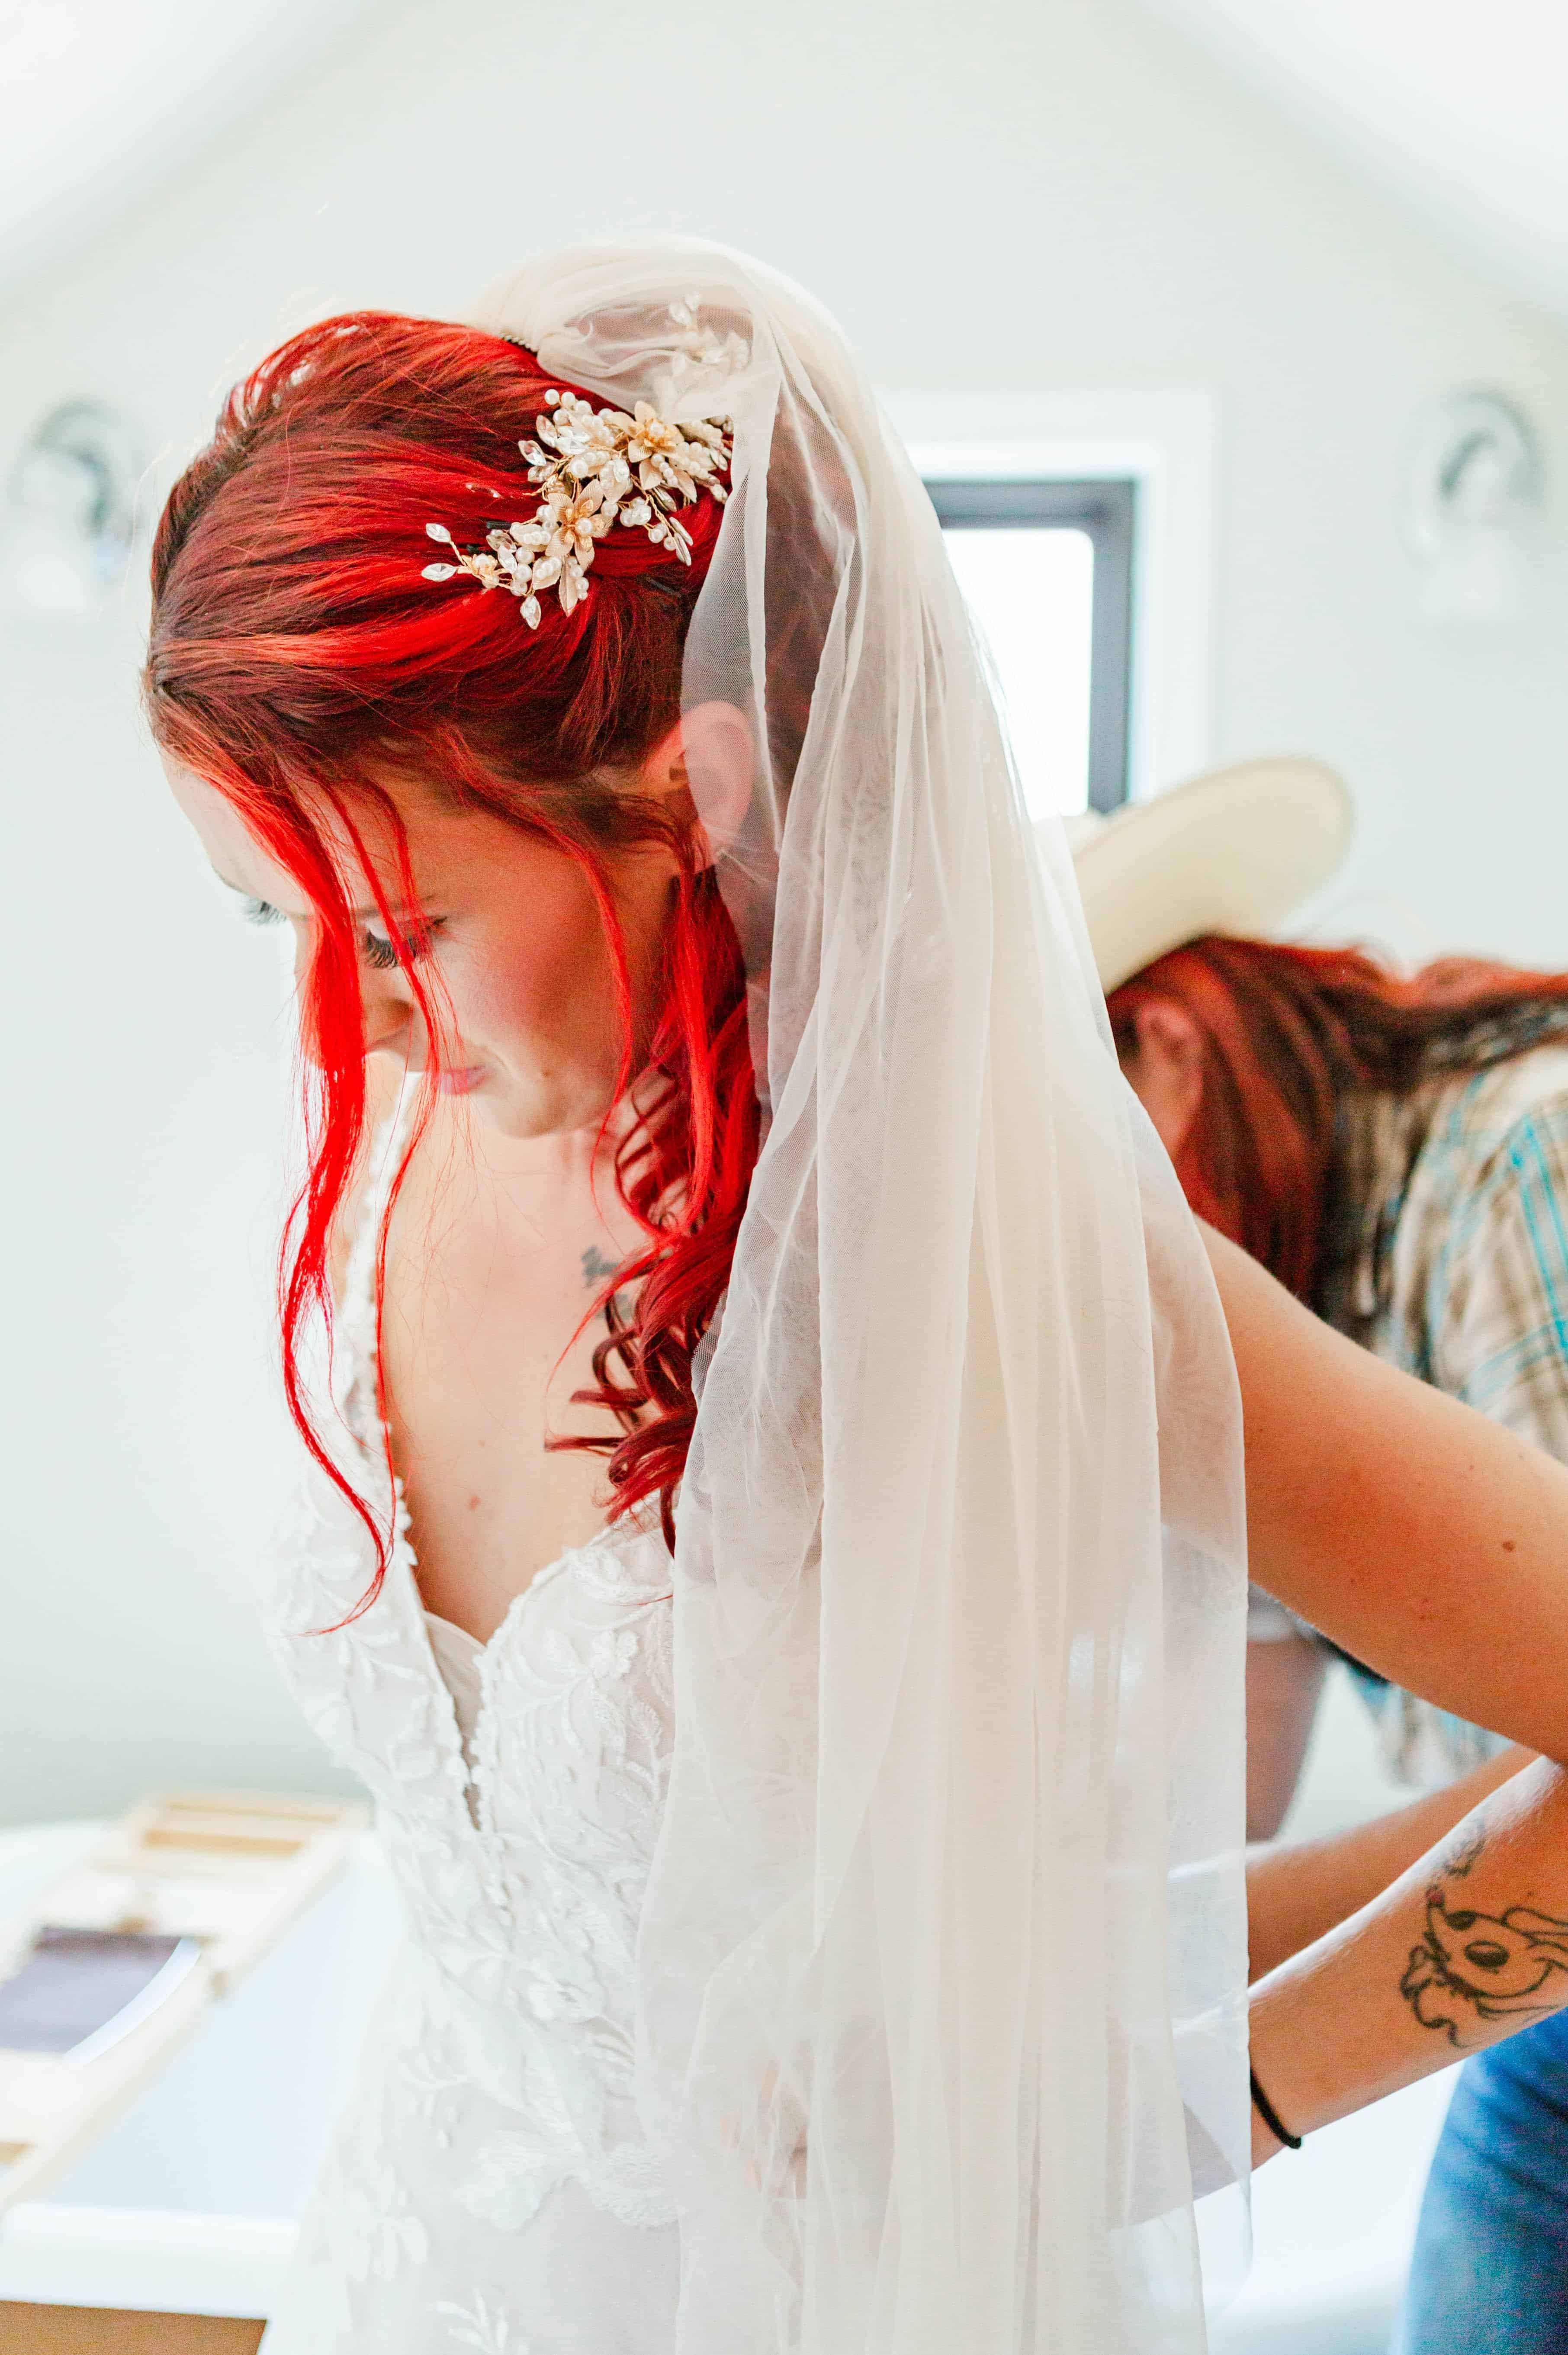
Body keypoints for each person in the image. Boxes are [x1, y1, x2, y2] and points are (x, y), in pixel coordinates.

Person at [145, 245, 1568, 2355]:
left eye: (398, 925)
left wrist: (1211, 2100)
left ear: (689, 793)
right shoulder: (399, 1133)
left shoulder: (997, 1251)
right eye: (273, 913)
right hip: (421, 2257)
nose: (337, 1024)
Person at [1080, 759, 1568, 2354]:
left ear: (1165, 1050)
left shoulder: (1524, 1164)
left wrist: (1214, 2088)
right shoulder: (1294, 1282)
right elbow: (1227, 1780)